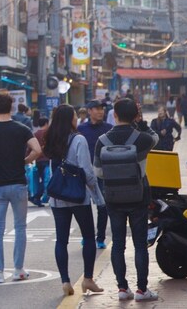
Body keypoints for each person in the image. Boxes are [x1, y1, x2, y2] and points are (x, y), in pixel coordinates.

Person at [93, 98, 159, 302]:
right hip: (138, 196)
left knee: (118, 244)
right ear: (135, 116)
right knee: (140, 244)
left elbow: (98, 172)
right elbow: (155, 138)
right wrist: (141, 123)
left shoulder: (102, 141)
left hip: (113, 198)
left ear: (114, 115)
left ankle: (122, 288)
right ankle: (142, 290)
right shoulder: (143, 139)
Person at [0, 90, 42, 283]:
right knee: (20, 227)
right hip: (18, 184)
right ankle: (18, 269)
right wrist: (25, 161)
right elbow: (37, 150)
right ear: (11, 107)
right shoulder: (21, 129)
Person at [43, 104, 104, 297]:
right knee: (88, 237)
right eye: (75, 116)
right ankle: (87, 279)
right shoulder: (79, 139)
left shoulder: (50, 138)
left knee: (61, 240)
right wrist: (98, 197)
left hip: (58, 197)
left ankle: (65, 281)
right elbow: (87, 172)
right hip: (78, 196)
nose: (77, 119)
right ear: (70, 119)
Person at [77, 99, 113, 249]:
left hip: (103, 173)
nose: (100, 111)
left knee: (102, 206)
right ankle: (87, 236)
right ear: (89, 111)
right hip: (84, 173)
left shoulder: (109, 128)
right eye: (96, 109)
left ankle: (100, 238)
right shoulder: (81, 129)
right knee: (83, 207)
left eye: (101, 109)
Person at [29, 111, 50, 207]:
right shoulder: (49, 133)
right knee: (48, 179)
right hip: (47, 160)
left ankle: (37, 196)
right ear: (46, 123)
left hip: (38, 160)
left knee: (41, 180)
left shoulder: (35, 134)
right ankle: (38, 196)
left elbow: (29, 148)